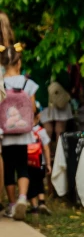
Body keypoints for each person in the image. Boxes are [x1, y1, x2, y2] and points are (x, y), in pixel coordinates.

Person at [0, 44, 38, 220]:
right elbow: (32, 107)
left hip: (6, 133)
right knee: (23, 166)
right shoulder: (27, 83)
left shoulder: (1, 82)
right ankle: (23, 198)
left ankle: (12, 204)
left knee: (8, 168)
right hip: (23, 132)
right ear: (18, 62)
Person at [28, 108, 52, 215]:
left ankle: (34, 206)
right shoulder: (41, 131)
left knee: (30, 183)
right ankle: (42, 202)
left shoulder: (25, 131)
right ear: (39, 116)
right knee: (39, 182)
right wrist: (48, 163)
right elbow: (46, 148)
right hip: (40, 162)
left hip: (28, 163)